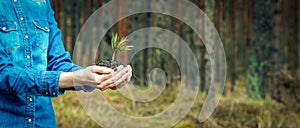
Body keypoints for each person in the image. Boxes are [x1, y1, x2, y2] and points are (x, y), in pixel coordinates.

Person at [0, 0, 132, 127]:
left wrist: (94, 76)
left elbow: (57, 62)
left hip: (43, 122)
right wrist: (75, 78)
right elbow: (3, 74)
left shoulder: (41, 4)